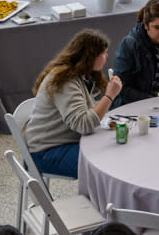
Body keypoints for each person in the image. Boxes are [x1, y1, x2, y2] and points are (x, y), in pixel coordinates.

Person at [19, 29, 121, 179]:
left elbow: (89, 115)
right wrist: (109, 96)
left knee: (115, 149)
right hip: (46, 151)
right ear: (91, 56)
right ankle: (102, 195)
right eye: (103, 53)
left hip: (66, 142)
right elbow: (83, 124)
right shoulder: (66, 81)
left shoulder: (84, 75)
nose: (106, 56)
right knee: (106, 165)